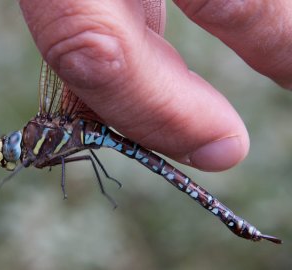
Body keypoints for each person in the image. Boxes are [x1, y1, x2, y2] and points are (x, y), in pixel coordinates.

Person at [19, 0, 292, 172]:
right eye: (14, 150)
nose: (17, 150)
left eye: (15, 146)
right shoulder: (46, 139)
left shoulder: (47, 130)